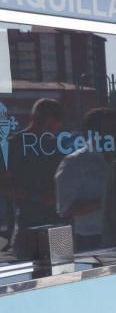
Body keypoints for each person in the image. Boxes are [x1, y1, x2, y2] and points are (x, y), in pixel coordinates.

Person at [54, 108, 116, 251]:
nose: (115, 134)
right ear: (94, 132)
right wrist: (105, 202)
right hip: (91, 239)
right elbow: (65, 209)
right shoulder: (74, 162)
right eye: (110, 130)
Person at [9, 98, 65, 259]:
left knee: (62, 273)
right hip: (29, 225)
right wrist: (37, 196)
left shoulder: (58, 145)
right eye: (45, 125)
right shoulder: (14, 145)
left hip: (58, 223)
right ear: (34, 118)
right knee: (26, 278)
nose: (49, 131)